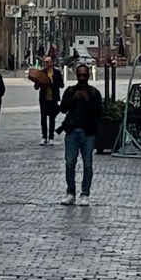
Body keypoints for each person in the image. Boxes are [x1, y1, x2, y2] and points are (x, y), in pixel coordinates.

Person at [56, 62, 103, 206]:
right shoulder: (70, 91)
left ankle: (85, 194)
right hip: (72, 132)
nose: (82, 78)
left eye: (84, 75)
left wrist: (87, 100)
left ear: (88, 76)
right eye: (80, 75)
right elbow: (62, 109)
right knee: (70, 164)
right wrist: (73, 99)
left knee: (87, 165)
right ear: (76, 75)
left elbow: (99, 112)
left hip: (88, 133)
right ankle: (70, 192)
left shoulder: (94, 93)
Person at [31, 56, 64, 146]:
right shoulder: (41, 73)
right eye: (45, 62)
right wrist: (40, 82)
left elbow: (61, 85)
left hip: (53, 99)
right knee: (43, 118)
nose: (46, 64)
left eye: (47, 62)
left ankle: (51, 138)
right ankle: (44, 137)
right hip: (43, 99)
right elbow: (36, 87)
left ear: (52, 62)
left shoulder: (57, 73)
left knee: (52, 119)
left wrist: (52, 82)